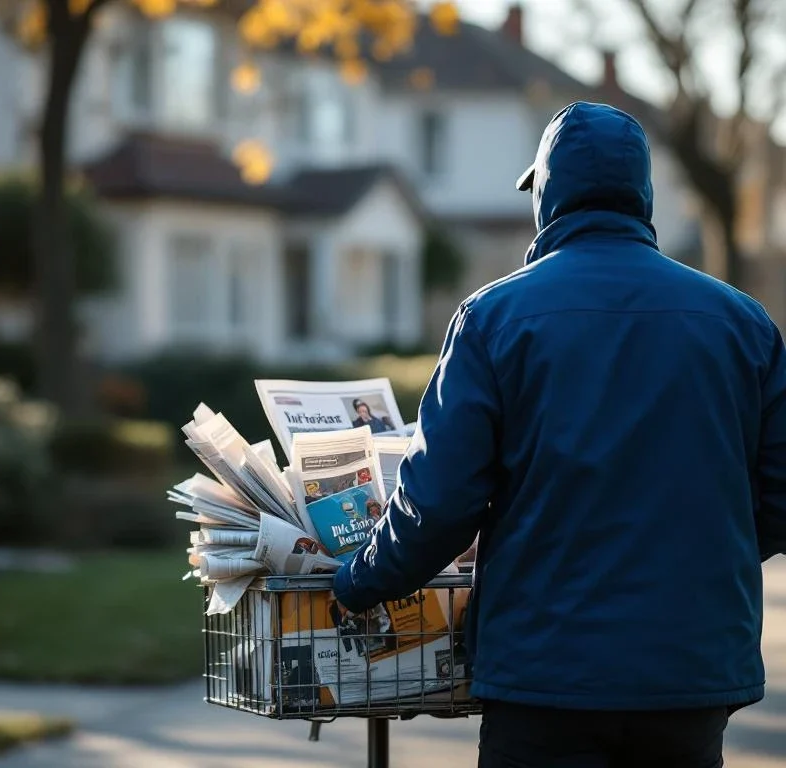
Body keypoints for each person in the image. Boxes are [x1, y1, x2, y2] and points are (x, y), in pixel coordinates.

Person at [333, 102, 786, 767]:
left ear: (548, 193)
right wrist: (703, 554)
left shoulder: (493, 318)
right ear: (643, 193)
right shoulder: (743, 323)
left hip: (546, 675)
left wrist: (360, 580)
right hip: (689, 670)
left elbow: (440, 502)